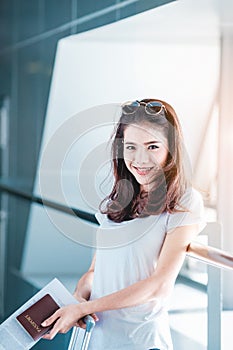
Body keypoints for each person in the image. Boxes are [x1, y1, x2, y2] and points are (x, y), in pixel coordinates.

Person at [42, 99, 206, 349]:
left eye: (152, 146)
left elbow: (159, 286)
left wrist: (86, 307)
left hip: (143, 341)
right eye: (131, 147)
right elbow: (95, 272)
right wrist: (78, 297)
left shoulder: (184, 201)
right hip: (101, 338)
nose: (140, 159)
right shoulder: (120, 199)